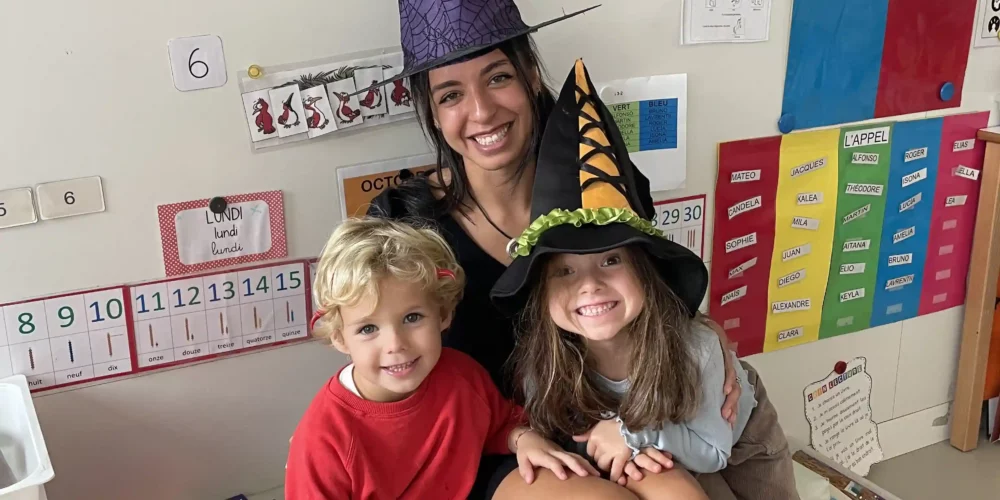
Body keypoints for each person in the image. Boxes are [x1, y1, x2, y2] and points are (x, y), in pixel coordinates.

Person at [366, 1, 762, 497]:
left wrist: (704, 335)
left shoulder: (600, 184)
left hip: (611, 421)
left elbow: (651, 289)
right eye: (451, 95)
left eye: (497, 78)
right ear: (431, 112)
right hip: (490, 445)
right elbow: (376, 357)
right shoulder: (403, 225)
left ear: (531, 75)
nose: (482, 111)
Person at [488, 59, 800, 500]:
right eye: (565, 270)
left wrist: (631, 434)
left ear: (645, 271)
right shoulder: (544, 361)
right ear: (542, 294)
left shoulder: (696, 350)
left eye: (611, 260)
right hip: (654, 450)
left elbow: (713, 451)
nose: (589, 285)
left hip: (734, 443)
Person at [285, 217, 601, 499]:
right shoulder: (323, 437)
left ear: (443, 314)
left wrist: (523, 439)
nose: (395, 344)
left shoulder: (462, 375)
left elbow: (499, 424)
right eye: (368, 328)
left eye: (412, 318)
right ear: (339, 337)